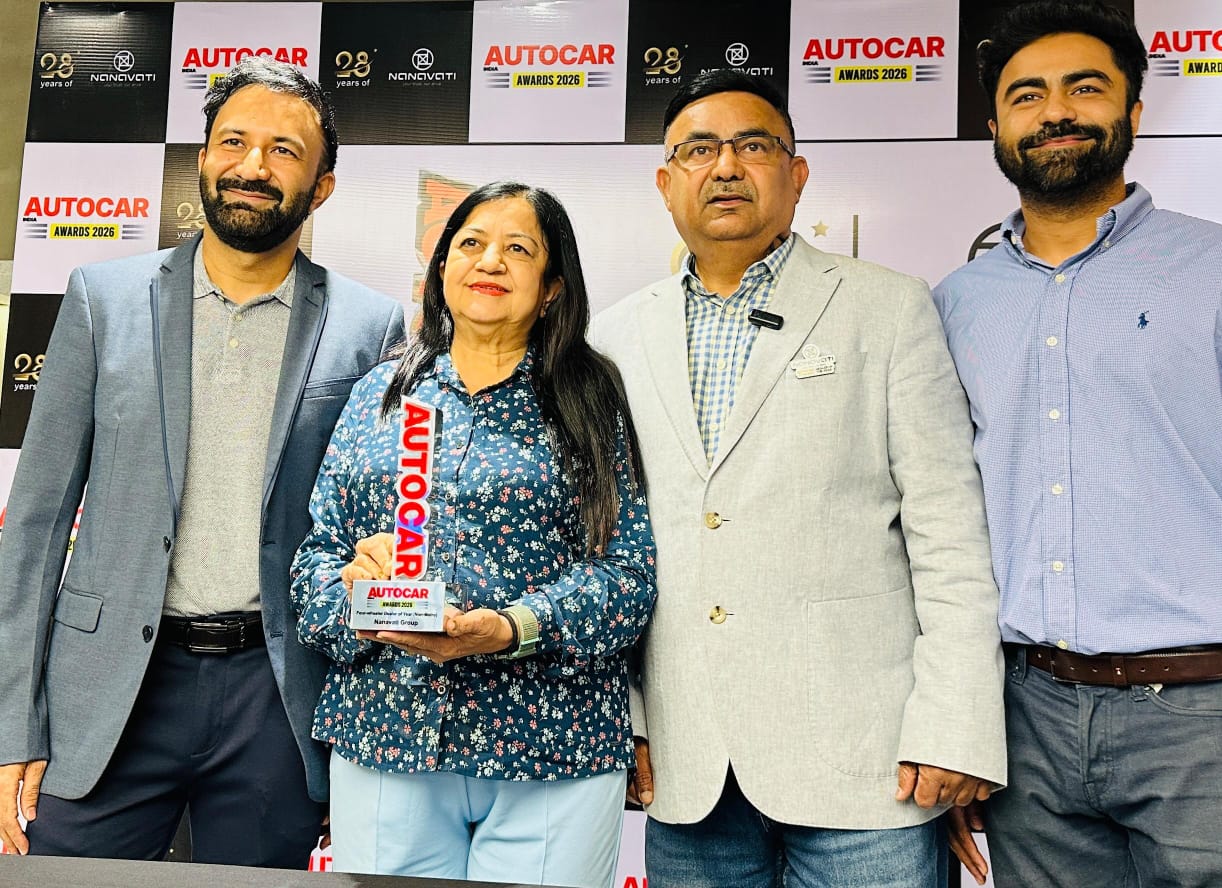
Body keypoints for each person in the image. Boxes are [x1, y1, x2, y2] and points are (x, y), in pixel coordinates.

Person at [932, 3, 1222, 885]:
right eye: (1026, 95)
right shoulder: (957, 301)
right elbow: (943, 535)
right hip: (1024, 728)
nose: (1054, 111)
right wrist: (956, 730)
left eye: (1084, 88)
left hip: (1205, 727)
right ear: (994, 126)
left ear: (1133, 112)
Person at [589, 69, 1006, 888]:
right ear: (665, 183)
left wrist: (952, 727)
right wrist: (631, 717)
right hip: (689, 767)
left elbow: (949, 535)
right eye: (698, 150)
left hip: (869, 769)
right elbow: (610, 551)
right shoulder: (614, 335)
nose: (724, 166)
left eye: (752, 145)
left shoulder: (888, 308)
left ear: (797, 173)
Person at [0, 57, 405, 864]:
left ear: (322, 186)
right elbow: (36, 524)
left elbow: (374, 531)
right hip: (106, 688)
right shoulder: (102, 298)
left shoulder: (371, 325)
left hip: (277, 696)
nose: (253, 166)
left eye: (285, 151)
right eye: (234, 142)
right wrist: (13, 723)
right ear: (203, 159)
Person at [290, 181, 656, 887]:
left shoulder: (590, 398)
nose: (490, 261)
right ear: (440, 269)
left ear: (551, 288)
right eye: (471, 244)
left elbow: (627, 575)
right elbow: (317, 560)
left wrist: (512, 628)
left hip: (552, 747)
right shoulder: (380, 394)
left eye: (518, 249)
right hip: (387, 733)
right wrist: (353, 597)